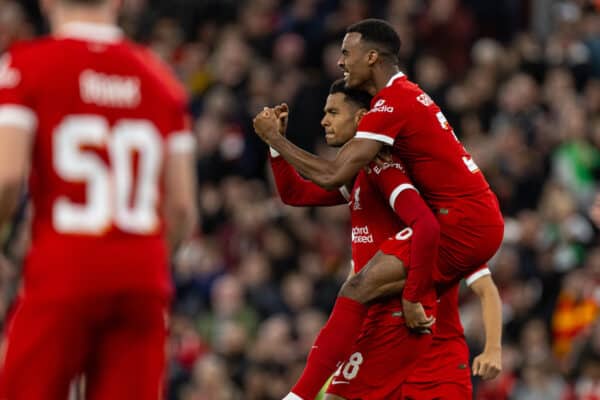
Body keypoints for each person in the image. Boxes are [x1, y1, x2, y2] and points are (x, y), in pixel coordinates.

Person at [254, 18, 504, 400]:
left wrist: (413, 295)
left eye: (346, 53)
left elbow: (338, 176)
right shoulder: (374, 158)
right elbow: (297, 194)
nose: (340, 62)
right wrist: (276, 147)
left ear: (372, 57)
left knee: (356, 289)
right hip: (445, 243)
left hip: (456, 235)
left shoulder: (387, 143)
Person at [0, 0, 197, 399]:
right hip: (142, 275)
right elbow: (181, 209)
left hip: (64, 265)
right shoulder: (160, 79)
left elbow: (6, 178)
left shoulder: (26, 66)